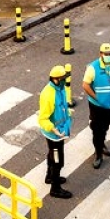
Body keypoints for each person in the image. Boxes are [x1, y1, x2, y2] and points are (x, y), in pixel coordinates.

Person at [83, 42, 110, 169]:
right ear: (100, 54)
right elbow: (85, 85)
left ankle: (101, 144)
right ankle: (98, 153)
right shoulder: (93, 67)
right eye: (105, 54)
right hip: (97, 105)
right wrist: (97, 98)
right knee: (97, 129)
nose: (108, 56)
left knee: (107, 123)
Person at [38, 65, 73, 199]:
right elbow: (43, 119)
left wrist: (67, 112)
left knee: (52, 155)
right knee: (58, 160)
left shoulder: (60, 88)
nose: (65, 81)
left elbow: (62, 106)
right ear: (55, 79)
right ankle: (55, 188)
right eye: (63, 78)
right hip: (54, 135)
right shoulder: (48, 95)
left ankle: (50, 176)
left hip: (60, 131)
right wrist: (54, 130)